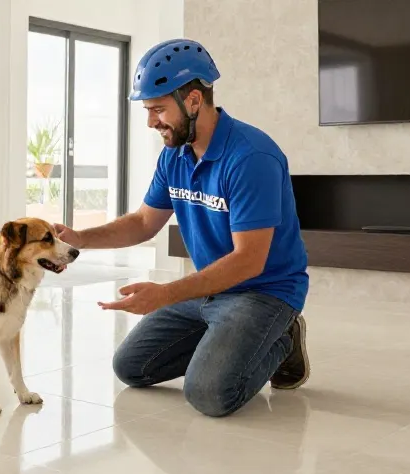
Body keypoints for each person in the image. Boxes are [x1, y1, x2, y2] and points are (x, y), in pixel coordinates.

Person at [53, 38, 310, 418]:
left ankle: (282, 337)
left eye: (158, 109)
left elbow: (249, 261)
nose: (150, 122)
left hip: (263, 292)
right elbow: (143, 222)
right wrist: (80, 239)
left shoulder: (251, 157)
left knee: (209, 394)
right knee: (131, 367)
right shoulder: (174, 155)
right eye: (147, 110)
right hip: (210, 289)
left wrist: (165, 294)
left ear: (192, 101)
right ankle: (224, 338)